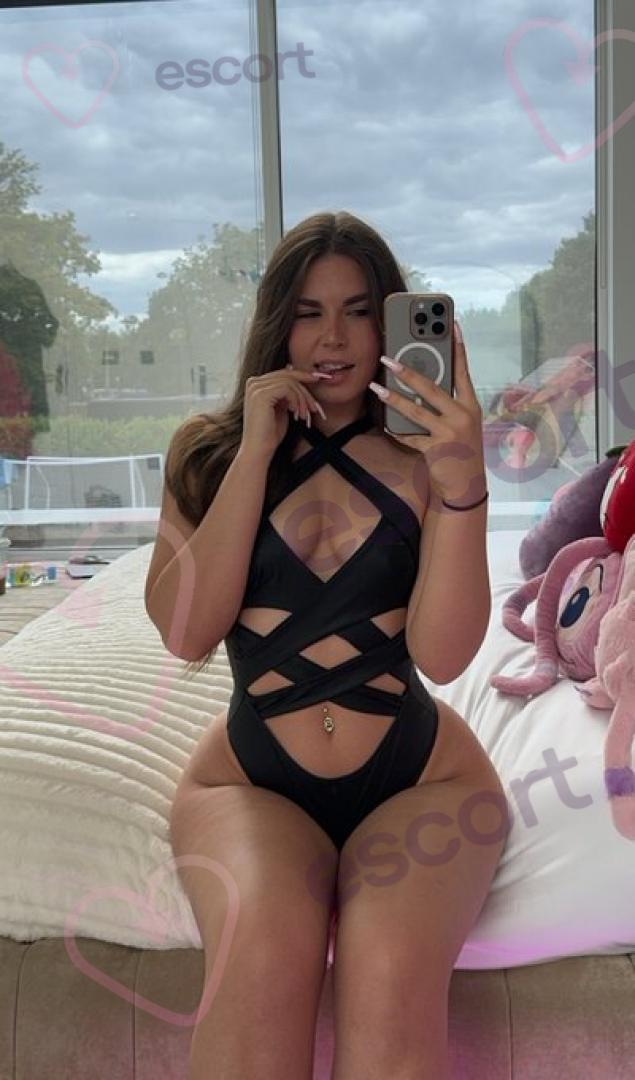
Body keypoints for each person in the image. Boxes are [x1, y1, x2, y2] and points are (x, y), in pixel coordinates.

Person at [145, 211, 509, 1080]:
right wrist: (254, 452)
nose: (333, 339)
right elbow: (186, 630)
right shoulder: (205, 453)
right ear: (277, 321)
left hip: (422, 780)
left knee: (387, 966)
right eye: (308, 312)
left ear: (390, 324)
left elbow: (444, 656)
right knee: (262, 951)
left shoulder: (428, 459)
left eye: (358, 311)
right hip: (250, 781)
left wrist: (463, 484)